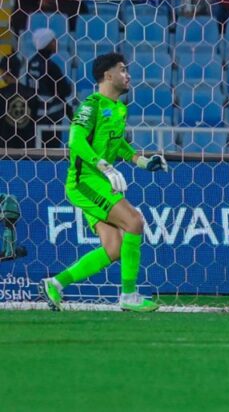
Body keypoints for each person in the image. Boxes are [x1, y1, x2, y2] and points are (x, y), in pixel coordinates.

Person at [39, 52, 168, 313]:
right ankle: (129, 296)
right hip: (84, 181)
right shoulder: (91, 105)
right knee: (134, 222)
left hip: (100, 181)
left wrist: (144, 162)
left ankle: (56, 283)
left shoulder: (119, 108)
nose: (128, 74)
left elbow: (119, 145)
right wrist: (104, 167)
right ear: (108, 75)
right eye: (122, 70)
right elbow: (75, 141)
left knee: (114, 247)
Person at [25, 28, 72, 149]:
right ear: (47, 43)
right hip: (51, 117)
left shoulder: (32, 62)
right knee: (50, 153)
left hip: (35, 115)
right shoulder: (50, 66)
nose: (57, 43)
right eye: (53, 40)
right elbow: (64, 91)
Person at [0, 55, 35, 150]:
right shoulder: (31, 93)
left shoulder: (2, 94)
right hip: (28, 149)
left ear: (4, 72)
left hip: (5, 150)